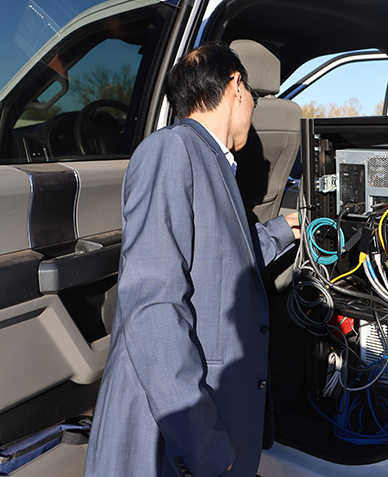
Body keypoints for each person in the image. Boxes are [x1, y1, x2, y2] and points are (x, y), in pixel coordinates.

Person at [84, 41, 300, 477]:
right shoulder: (171, 150)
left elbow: (220, 264)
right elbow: (154, 307)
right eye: (255, 96)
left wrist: (284, 230)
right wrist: (202, 444)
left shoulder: (214, 162)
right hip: (179, 436)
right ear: (236, 86)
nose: (254, 107)